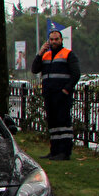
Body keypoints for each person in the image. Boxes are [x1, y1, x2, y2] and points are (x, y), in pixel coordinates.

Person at [32, 29, 80, 160]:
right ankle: (54, 151)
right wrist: (40, 53)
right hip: (49, 95)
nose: (54, 42)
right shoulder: (46, 55)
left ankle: (64, 152)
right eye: (51, 39)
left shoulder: (68, 54)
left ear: (61, 40)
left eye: (56, 39)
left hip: (62, 95)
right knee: (53, 123)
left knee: (63, 123)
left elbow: (76, 74)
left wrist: (66, 90)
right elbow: (34, 69)